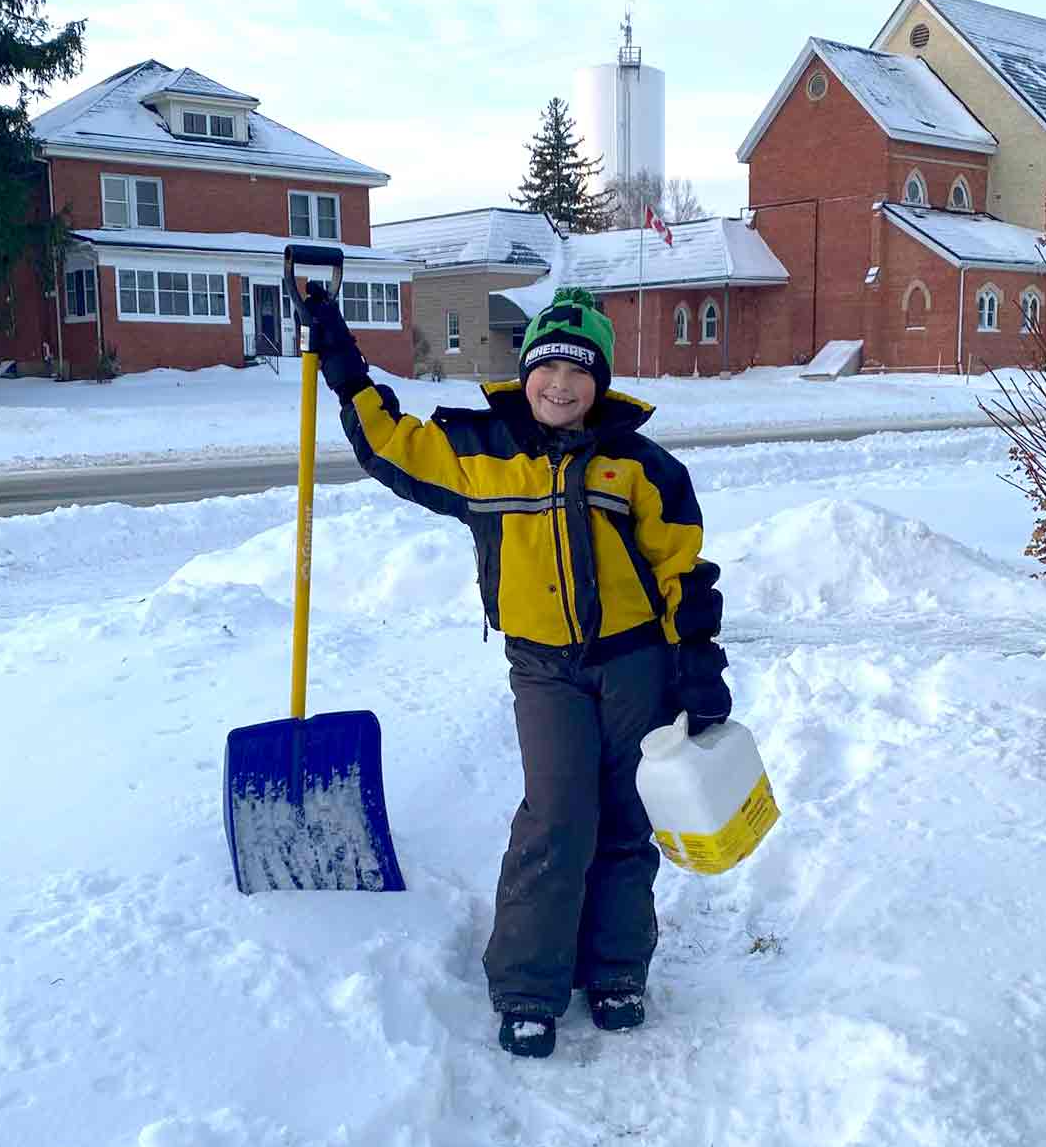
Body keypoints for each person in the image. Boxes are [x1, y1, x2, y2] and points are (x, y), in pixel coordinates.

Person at [309, 284, 730, 1059]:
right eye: (546, 368)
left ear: (599, 380)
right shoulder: (481, 454)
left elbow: (682, 570)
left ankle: (613, 969)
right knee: (554, 814)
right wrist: (343, 364)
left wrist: (696, 662)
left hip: (635, 661)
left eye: (577, 371)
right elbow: (392, 446)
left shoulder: (640, 465)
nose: (559, 385)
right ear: (525, 371)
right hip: (542, 669)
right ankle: (529, 984)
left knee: (625, 816)